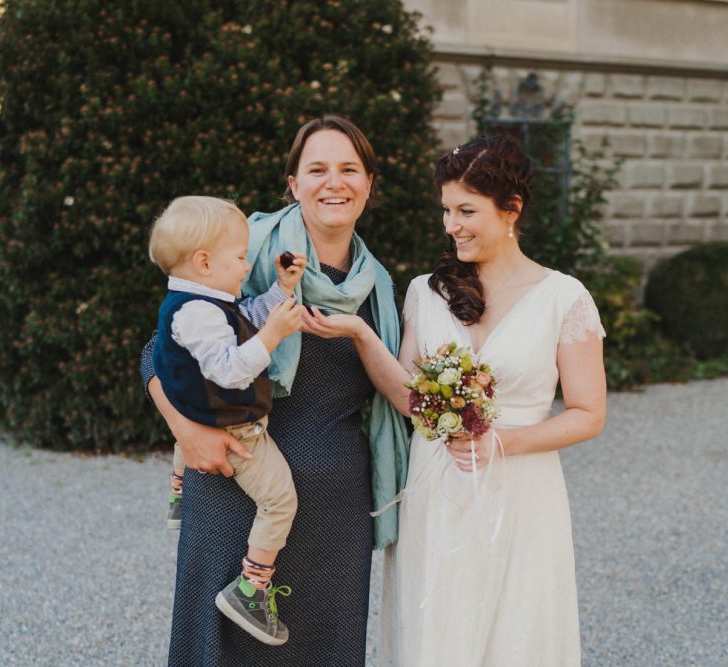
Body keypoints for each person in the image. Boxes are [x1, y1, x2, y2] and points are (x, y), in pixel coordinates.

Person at [301, 133, 607, 665]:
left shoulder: (564, 297)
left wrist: (502, 442)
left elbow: (588, 414)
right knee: (434, 625)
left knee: (519, 624)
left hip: (522, 490)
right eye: (446, 210)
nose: (451, 225)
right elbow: (408, 397)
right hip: (436, 485)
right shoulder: (427, 290)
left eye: (466, 210)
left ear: (510, 210)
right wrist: (361, 335)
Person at [140, 116, 409, 665]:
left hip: (336, 510)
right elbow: (158, 350)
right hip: (234, 486)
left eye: (349, 169)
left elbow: (396, 396)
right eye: (317, 169)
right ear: (293, 182)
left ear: (369, 185)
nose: (334, 182)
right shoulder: (245, 249)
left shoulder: (379, 288)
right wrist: (186, 432)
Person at [148, 195, 307, 645]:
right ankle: (250, 589)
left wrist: (282, 289)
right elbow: (231, 369)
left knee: (190, 404)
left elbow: (248, 319)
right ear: (203, 261)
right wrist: (275, 335)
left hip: (200, 412)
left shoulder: (204, 300)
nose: (245, 265)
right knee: (280, 500)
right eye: (239, 257)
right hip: (237, 432)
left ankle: (180, 493)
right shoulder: (197, 313)